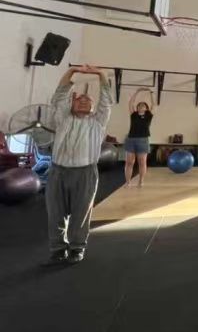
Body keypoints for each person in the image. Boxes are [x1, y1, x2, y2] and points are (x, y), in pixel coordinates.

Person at [45, 65, 113, 265]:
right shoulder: (62, 118)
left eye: (87, 100)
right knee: (55, 213)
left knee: (81, 212)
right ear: (71, 104)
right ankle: (58, 249)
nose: (83, 101)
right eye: (79, 99)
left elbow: (106, 99)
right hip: (58, 171)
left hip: (85, 172)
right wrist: (72, 70)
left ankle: (77, 248)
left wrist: (100, 74)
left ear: (93, 107)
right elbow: (59, 96)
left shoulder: (98, 122)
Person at [124, 88, 154, 187]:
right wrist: (137, 92)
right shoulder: (134, 115)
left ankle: (141, 181)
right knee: (129, 162)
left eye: (143, 105)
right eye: (139, 105)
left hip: (143, 140)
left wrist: (151, 93)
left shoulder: (148, 116)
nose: (141, 106)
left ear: (146, 108)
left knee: (142, 162)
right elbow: (131, 103)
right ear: (137, 108)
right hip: (131, 140)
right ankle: (128, 182)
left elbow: (154, 105)